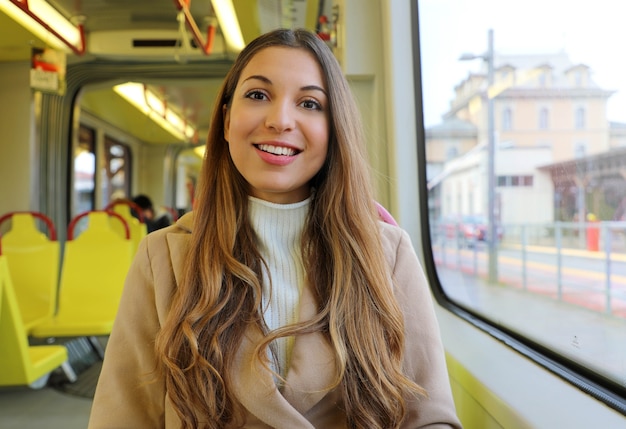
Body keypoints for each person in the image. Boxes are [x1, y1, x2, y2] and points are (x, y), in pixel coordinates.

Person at [88, 28, 462, 429]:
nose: (280, 120)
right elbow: (123, 417)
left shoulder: (388, 254)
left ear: (334, 130)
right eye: (258, 95)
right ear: (227, 120)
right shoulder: (162, 257)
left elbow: (428, 418)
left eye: (309, 103)